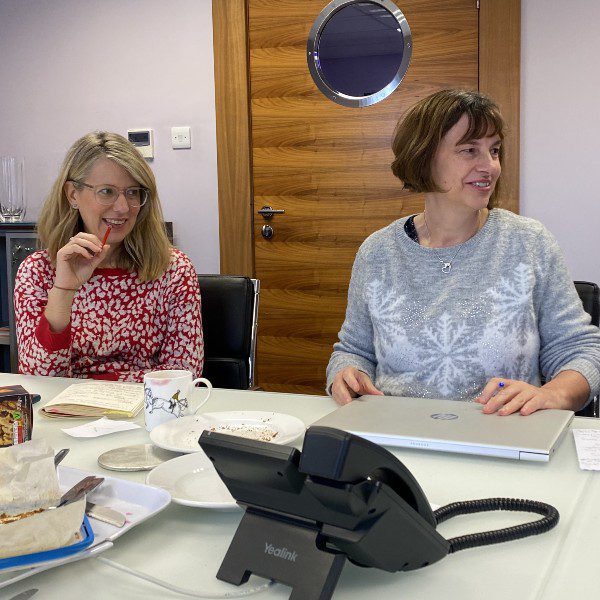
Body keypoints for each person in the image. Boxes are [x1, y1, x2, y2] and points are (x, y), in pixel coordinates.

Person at [326, 89, 600, 415]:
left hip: (503, 439)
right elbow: (354, 350)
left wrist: (553, 395)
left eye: (494, 150)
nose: (490, 166)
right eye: (470, 150)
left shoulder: (529, 243)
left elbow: (581, 350)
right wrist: (344, 373)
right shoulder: (377, 253)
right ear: (424, 157)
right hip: (398, 441)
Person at [14, 131, 203, 381]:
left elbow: (184, 372)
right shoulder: (37, 271)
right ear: (72, 194)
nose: (123, 207)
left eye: (133, 192)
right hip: (68, 416)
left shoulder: (173, 269)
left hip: (149, 414)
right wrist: (63, 289)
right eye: (107, 192)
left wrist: (92, 387)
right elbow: (39, 377)